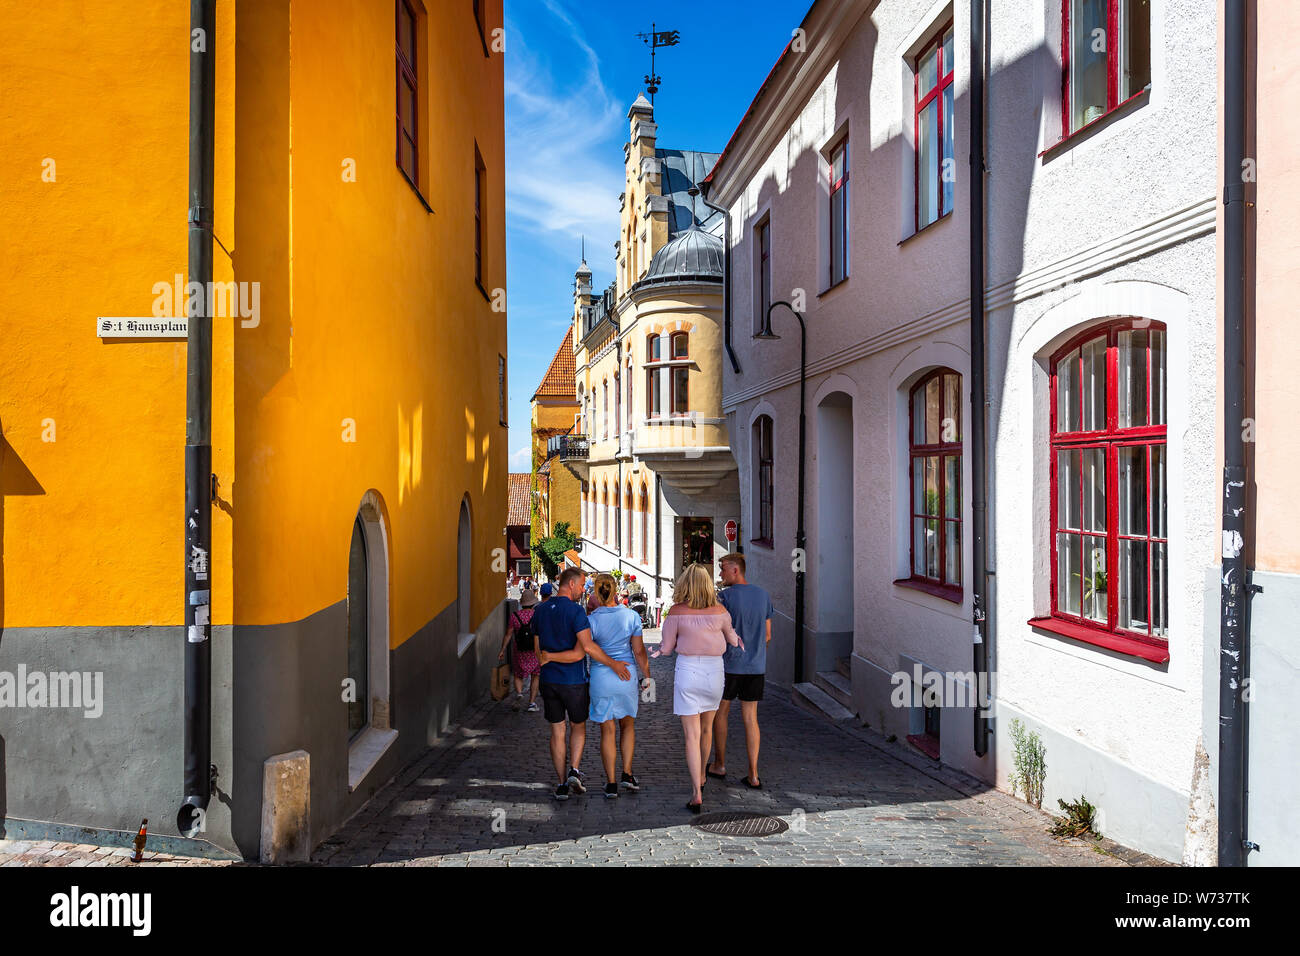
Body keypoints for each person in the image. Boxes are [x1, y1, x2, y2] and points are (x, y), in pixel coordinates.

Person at [532, 567, 631, 800]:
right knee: (578, 726)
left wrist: (549, 657)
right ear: (571, 584)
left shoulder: (540, 611)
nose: (584, 589)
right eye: (582, 585)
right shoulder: (576, 612)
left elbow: (538, 652)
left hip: (549, 680)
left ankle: (560, 784)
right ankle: (574, 769)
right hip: (574, 681)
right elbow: (582, 651)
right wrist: (613, 664)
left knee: (557, 731)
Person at [550, 573, 650, 798]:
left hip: (601, 677)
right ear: (616, 591)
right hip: (626, 675)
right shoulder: (631, 616)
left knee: (607, 729)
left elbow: (585, 648)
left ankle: (611, 783)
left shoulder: (591, 620)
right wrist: (647, 675)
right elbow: (639, 651)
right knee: (628, 725)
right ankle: (627, 774)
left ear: (595, 592)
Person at [655, 563, 742, 813]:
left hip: (688, 671)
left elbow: (667, 647)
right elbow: (732, 638)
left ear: (685, 584)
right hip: (715, 672)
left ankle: (696, 791)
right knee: (707, 730)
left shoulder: (676, 612)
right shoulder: (721, 611)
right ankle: (703, 777)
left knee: (691, 736)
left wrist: (659, 650)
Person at [707, 553, 773, 788]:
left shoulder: (723, 597)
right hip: (755, 666)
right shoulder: (763, 595)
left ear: (736, 570)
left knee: (721, 713)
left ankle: (720, 764)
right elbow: (767, 635)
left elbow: (717, 633)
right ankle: (754, 774)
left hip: (729, 665)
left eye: (723, 569)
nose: (721, 574)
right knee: (750, 718)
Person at [500, 587, 542, 712]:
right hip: (534, 649)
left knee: (518, 674)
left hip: (519, 650)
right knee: (535, 675)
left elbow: (508, 634)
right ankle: (532, 703)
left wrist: (502, 649)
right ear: (533, 603)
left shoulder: (515, 616)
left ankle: (519, 693)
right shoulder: (537, 616)